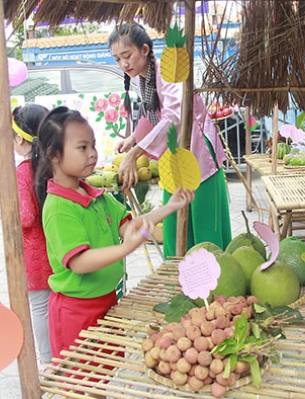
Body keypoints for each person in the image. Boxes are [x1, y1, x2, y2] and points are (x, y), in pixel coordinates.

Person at [34, 106, 194, 364]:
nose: (92, 154)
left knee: (104, 376)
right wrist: (124, 249)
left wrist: (170, 206)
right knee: (82, 385)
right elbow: (80, 262)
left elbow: (131, 227)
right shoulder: (58, 207)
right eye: (82, 147)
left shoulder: (94, 195)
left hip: (107, 302)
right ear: (54, 154)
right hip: (75, 312)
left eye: (93, 146)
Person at [108, 22, 232, 258]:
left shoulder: (169, 72)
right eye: (117, 59)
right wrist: (133, 140)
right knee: (175, 227)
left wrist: (135, 153)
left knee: (206, 230)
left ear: (144, 50)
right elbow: (152, 115)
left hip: (198, 156)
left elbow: (174, 117)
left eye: (127, 55)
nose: (124, 63)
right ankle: (178, 285)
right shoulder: (142, 78)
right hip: (173, 161)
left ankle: (217, 289)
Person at [0, 104, 53, 371]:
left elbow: (25, 217)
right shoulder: (54, 164)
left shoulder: (23, 171)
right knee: (56, 303)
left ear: (19, 138)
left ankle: (47, 360)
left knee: (40, 308)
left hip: (35, 256)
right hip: (58, 249)